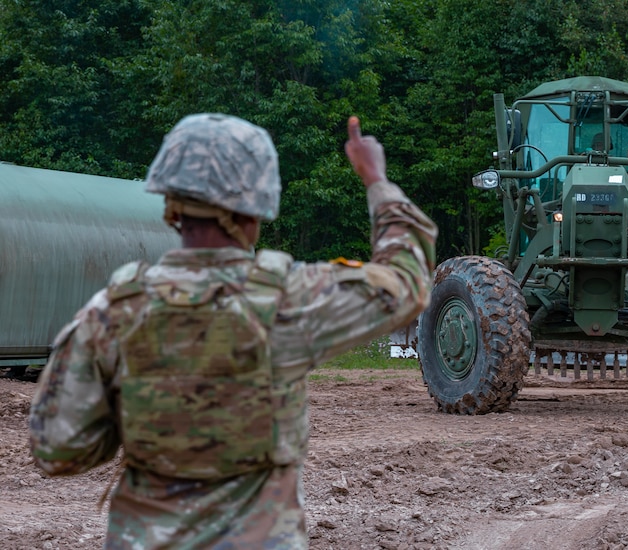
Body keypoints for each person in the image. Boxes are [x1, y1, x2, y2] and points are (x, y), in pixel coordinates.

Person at [28, 113, 437, 548]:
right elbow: (408, 281)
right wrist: (376, 178)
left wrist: (146, 419)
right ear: (256, 207)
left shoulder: (113, 310)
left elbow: (57, 449)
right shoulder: (289, 299)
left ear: (171, 204)